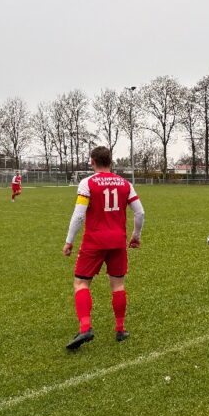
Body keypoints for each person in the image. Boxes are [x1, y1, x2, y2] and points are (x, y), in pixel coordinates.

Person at [63, 146, 145, 350]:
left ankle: (85, 328)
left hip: (94, 242)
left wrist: (69, 241)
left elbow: (79, 215)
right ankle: (120, 330)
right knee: (118, 285)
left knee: (81, 283)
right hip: (118, 241)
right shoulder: (125, 183)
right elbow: (140, 213)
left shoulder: (87, 183)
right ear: (111, 161)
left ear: (92, 161)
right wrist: (135, 236)